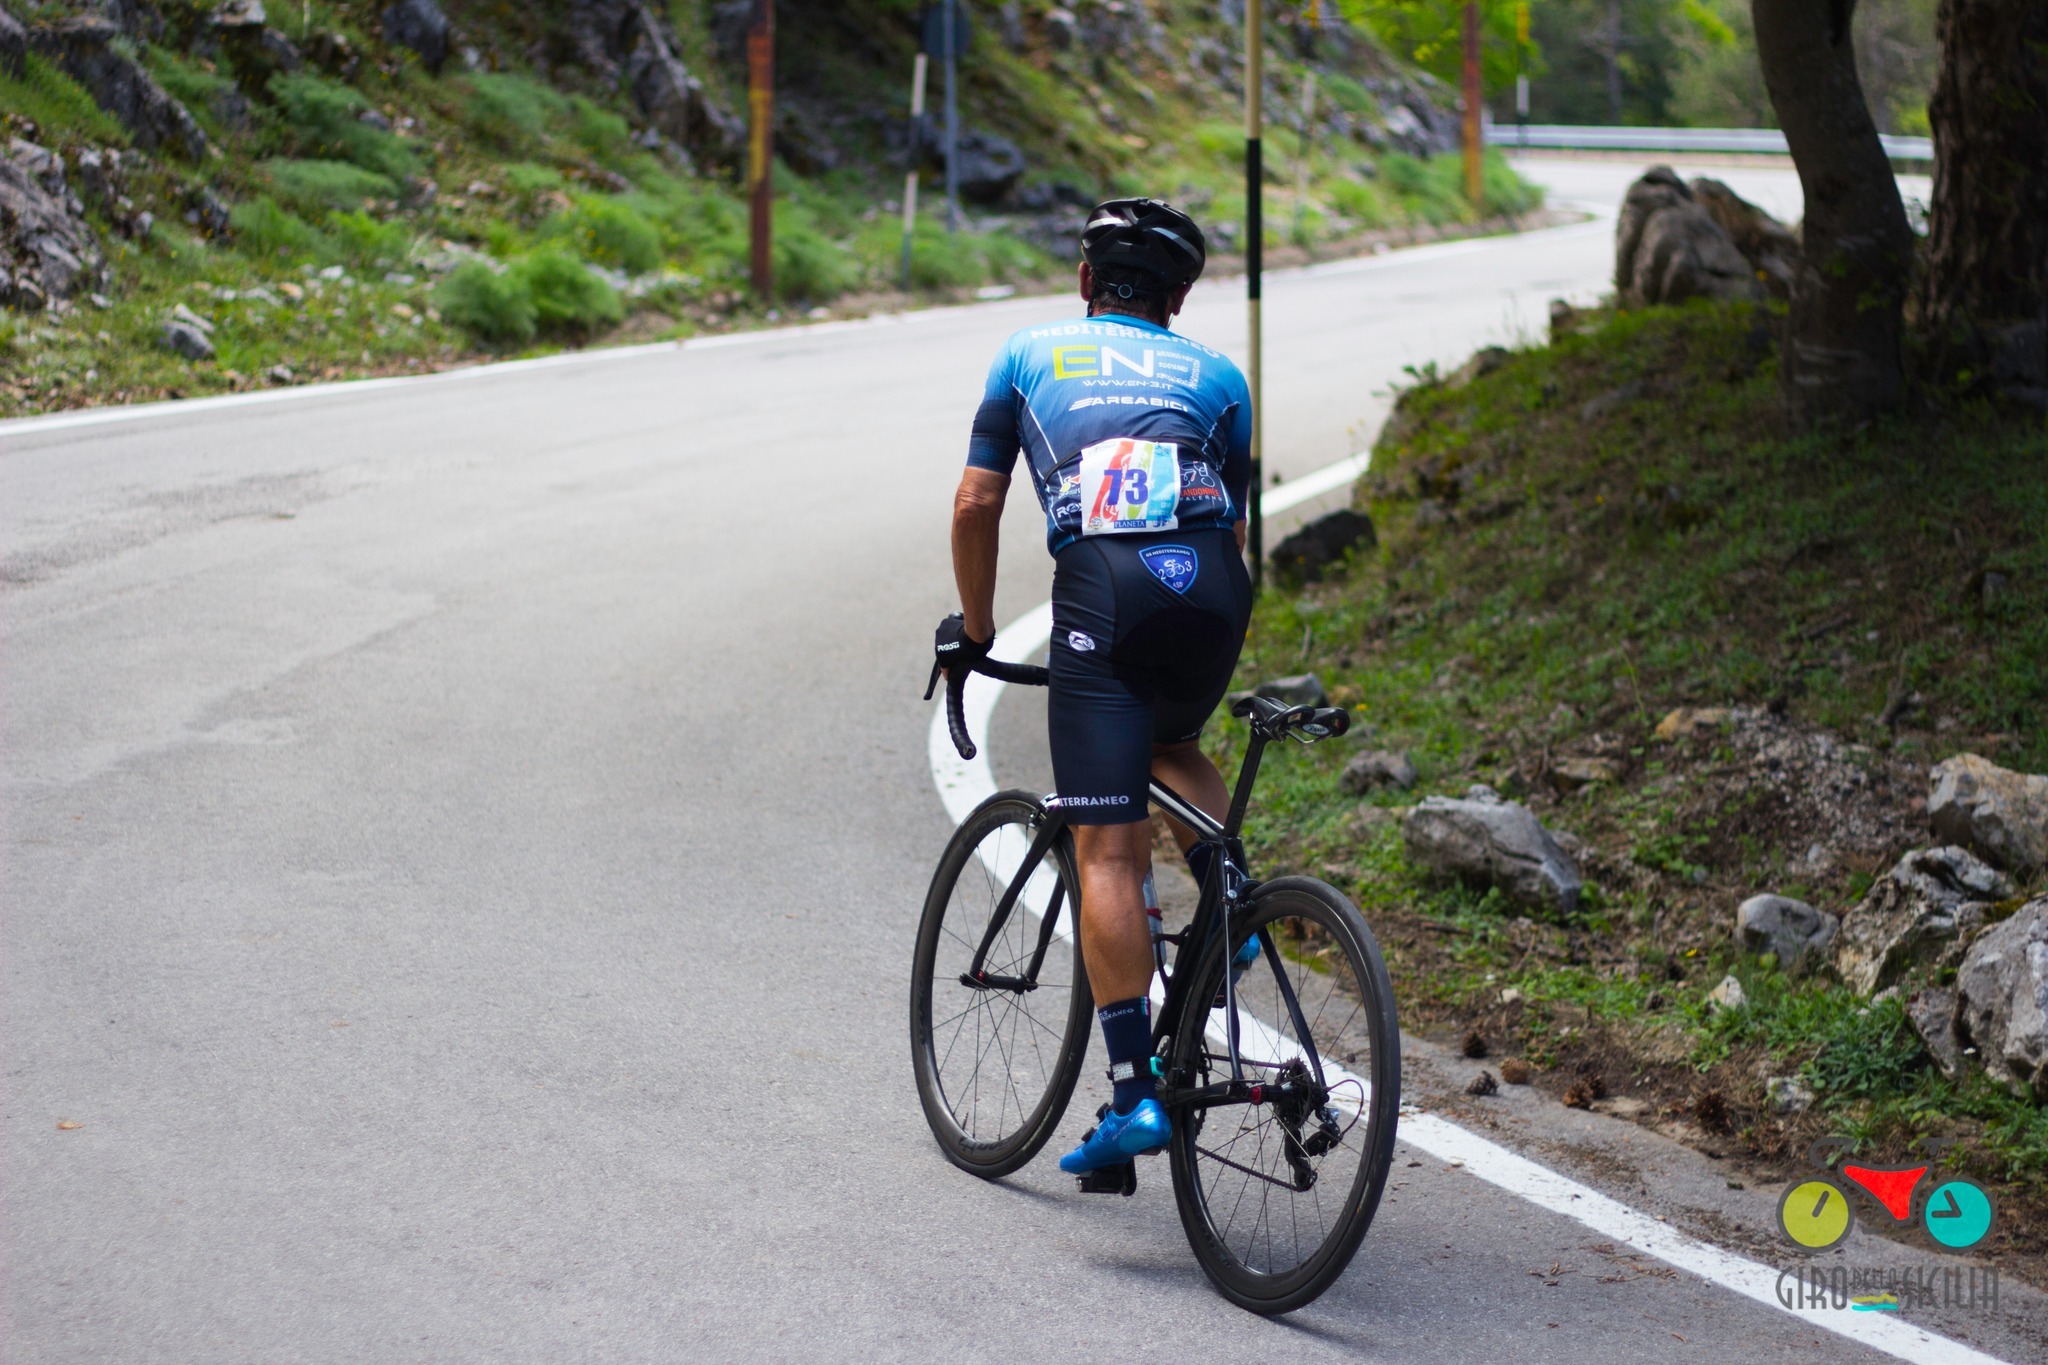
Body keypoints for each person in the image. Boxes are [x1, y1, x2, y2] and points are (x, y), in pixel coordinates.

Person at [936, 198, 1253, 1175]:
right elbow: (1235, 524)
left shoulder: (1027, 354)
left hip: (1104, 592)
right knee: (1172, 742)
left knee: (1107, 849)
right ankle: (1233, 899)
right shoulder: (1221, 376)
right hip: (1212, 591)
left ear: (1084, 280)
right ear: (1179, 297)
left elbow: (976, 501)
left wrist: (976, 630)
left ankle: (1131, 1096)